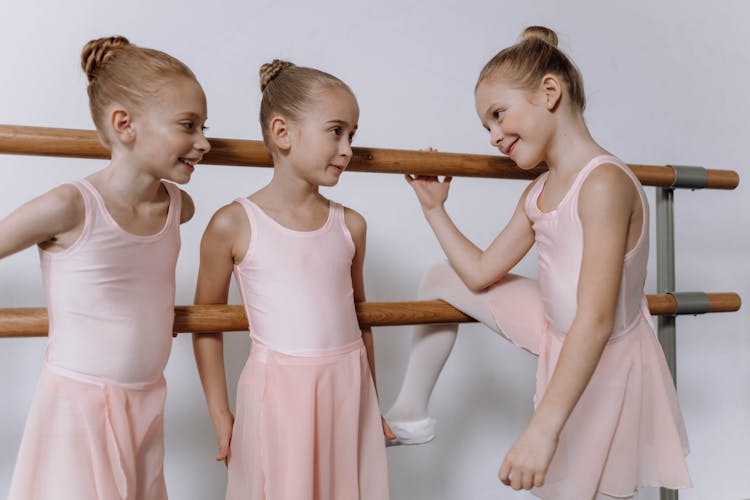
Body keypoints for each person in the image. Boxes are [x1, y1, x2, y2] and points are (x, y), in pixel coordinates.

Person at [386, 26, 691, 499]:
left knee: (580, 488)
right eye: (486, 125)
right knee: (439, 277)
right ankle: (409, 412)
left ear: (550, 92)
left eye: (498, 115)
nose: (492, 136)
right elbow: (481, 273)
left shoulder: (603, 183)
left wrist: (540, 429)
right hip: (555, 330)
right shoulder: (538, 192)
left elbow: (594, 320)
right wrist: (434, 209)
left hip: (605, 357)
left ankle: (554, 430)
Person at [3, 36, 209, 499]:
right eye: (188, 125)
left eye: (203, 126)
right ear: (124, 124)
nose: (204, 141)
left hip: (146, 399)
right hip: (78, 407)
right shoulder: (71, 206)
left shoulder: (179, 206)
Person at [193, 60, 391, 500]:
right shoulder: (233, 224)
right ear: (283, 133)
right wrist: (220, 413)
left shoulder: (350, 226)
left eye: (352, 135)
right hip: (279, 394)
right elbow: (205, 325)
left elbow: (361, 321)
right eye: (336, 131)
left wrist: (371, 402)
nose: (347, 149)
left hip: (347, 385)